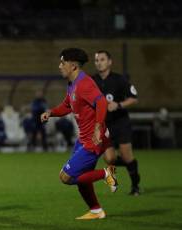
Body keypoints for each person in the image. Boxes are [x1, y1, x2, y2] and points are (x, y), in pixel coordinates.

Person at [41, 48, 117, 220]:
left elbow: (102, 102)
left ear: (73, 66)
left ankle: (107, 174)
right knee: (82, 178)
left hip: (93, 139)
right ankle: (96, 211)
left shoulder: (85, 83)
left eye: (63, 62)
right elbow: (67, 106)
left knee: (66, 177)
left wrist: (98, 127)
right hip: (84, 139)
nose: (60, 66)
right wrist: (51, 113)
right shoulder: (72, 84)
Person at [92, 50, 141, 196]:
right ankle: (114, 181)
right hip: (104, 125)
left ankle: (135, 186)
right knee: (109, 158)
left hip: (120, 123)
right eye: (96, 60)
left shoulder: (119, 80)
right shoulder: (92, 81)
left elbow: (134, 98)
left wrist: (118, 105)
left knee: (126, 156)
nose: (99, 63)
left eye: (102, 59)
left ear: (109, 62)